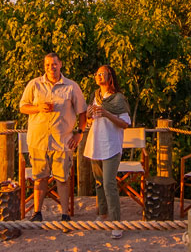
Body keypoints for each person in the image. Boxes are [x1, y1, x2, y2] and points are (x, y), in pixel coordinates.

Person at [17, 51, 85, 220]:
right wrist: (38, 108)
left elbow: (83, 112)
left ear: (60, 64)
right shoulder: (34, 85)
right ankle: (37, 213)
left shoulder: (71, 86)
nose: (51, 67)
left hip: (63, 141)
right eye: (47, 64)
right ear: (44, 66)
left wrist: (80, 134)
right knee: (39, 178)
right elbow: (23, 107)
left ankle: (64, 214)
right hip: (38, 141)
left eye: (54, 64)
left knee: (62, 179)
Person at [81, 64, 133, 221]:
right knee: (99, 182)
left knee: (109, 184)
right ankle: (103, 214)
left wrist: (106, 113)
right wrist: (89, 116)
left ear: (110, 76)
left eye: (102, 74)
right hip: (95, 144)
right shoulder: (95, 96)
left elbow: (125, 123)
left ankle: (116, 221)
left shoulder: (118, 98)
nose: (99, 76)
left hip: (111, 145)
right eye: (97, 74)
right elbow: (88, 122)